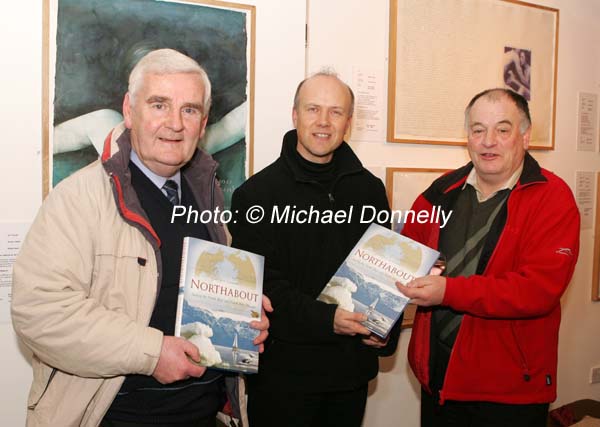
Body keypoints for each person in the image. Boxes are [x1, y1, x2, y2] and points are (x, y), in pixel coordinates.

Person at [12, 49, 270, 427]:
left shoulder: (205, 195)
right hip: (114, 418)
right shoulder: (79, 197)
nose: (175, 124)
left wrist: (243, 319)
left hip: (204, 414)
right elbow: (39, 311)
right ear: (130, 112)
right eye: (159, 104)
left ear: (202, 125)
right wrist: (152, 352)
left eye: (190, 109)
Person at [397, 88, 580, 427]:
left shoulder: (553, 199)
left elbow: (536, 291)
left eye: (502, 129)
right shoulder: (439, 193)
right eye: (478, 129)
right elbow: (402, 258)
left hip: (508, 393)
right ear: (467, 136)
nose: (488, 141)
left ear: (525, 136)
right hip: (439, 383)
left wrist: (447, 291)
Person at [229, 70, 401, 427]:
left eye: (336, 112)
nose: (324, 122)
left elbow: (384, 271)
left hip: (349, 375)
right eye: (313, 109)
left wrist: (384, 331)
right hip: (283, 380)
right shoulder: (256, 195)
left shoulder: (369, 190)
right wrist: (328, 321)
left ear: (348, 122)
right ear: (295, 115)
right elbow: (263, 287)